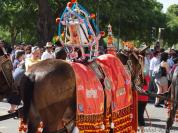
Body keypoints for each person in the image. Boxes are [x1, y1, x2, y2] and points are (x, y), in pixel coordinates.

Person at [138, 51, 150, 133]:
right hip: (143, 98)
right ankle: (140, 129)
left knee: (139, 115)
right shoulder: (146, 75)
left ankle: (142, 130)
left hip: (141, 98)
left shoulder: (141, 76)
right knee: (139, 114)